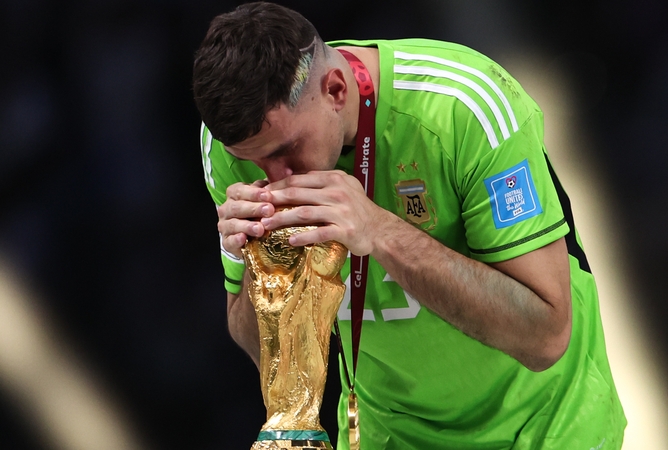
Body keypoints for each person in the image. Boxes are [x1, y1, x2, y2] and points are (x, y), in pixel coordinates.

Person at [192, 2, 626, 449]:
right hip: (387, 432)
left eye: (287, 149)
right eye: (253, 161)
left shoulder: (463, 107)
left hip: (544, 428)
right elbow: (261, 352)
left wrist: (379, 230)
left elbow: (545, 337)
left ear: (336, 90)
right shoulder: (230, 146)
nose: (277, 176)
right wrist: (252, 263)